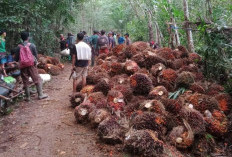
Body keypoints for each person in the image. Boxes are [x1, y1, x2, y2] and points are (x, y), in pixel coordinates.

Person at [14, 31, 48, 101]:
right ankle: (40, 95)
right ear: (28, 37)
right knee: (36, 79)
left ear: (21, 38)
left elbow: (16, 59)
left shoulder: (18, 47)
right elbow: (35, 56)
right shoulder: (32, 45)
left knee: (25, 81)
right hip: (31, 65)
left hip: (23, 66)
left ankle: (28, 97)